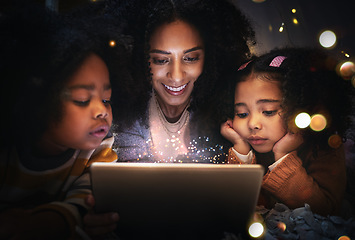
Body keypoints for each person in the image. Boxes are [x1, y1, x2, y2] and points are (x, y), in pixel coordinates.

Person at [0, 3, 131, 238]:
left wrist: (42, 224)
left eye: (107, 99)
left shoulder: (99, 152)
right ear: (36, 101)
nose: (102, 110)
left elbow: (84, 203)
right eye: (82, 100)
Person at [106, 0, 256, 163]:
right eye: (161, 60)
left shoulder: (230, 114)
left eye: (190, 58)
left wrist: (241, 150)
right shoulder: (115, 115)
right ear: (138, 59)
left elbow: (240, 184)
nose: (176, 76)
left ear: (211, 57)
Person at [220, 47, 355, 216]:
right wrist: (240, 150)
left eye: (268, 111)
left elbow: (325, 210)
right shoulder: (244, 145)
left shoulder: (325, 146)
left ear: (301, 107)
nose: (253, 124)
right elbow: (234, 203)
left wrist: (282, 156)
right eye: (242, 114)